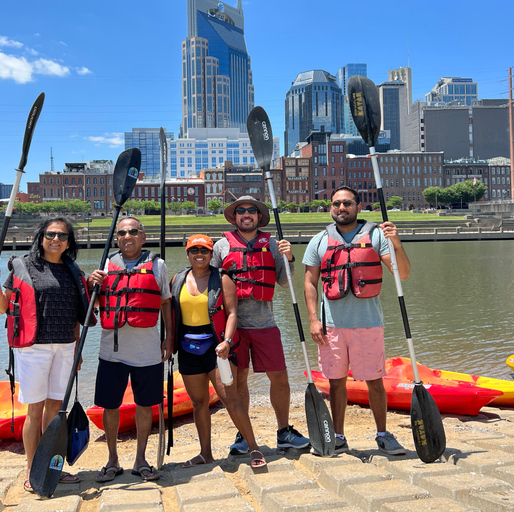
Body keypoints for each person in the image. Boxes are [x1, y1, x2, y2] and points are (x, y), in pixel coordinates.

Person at [302, 186, 410, 455]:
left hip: (368, 323)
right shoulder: (319, 241)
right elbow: (310, 283)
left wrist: (396, 242)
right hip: (332, 327)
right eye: (336, 203)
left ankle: (383, 434)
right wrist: (314, 320)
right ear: (330, 208)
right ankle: (338, 436)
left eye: (347, 203)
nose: (342, 208)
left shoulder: (377, 236)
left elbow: (403, 274)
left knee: (375, 381)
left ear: (358, 206)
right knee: (336, 382)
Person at [0, 217, 88, 492]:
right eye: (51, 234)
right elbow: (4, 307)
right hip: (33, 349)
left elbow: (77, 317)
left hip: (65, 346)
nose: (56, 240)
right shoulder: (22, 266)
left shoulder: (73, 270)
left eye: (63, 236)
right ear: (41, 236)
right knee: (35, 411)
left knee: (56, 412)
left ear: (69, 242)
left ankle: (52, 466)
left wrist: (76, 351)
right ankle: (32, 469)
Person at [211, 196, 310, 454]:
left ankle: (284, 431)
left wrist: (289, 259)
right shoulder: (221, 246)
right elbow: (210, 286)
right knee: (239, 379)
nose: (246, 214)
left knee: (279, 377)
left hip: (265, 323)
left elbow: (285, 282)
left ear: (258, 216)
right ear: (234, 216)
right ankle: (244, 435)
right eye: (241, 211)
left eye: (251, 211)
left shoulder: (274, 245)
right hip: (234, 328)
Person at [88, 216, 173, 483]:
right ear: (117, 238)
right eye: (123, 232)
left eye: (133, 231)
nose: (128, 236)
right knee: (110, 406)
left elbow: (166, 305)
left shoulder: (159, 265)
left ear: (143, 237)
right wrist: (92, 283)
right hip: (111, 351)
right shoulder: (105, 264)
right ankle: (112, 460)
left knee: (145, 405)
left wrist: (169, 338)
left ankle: (140, 460)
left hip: (147, 351)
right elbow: (91, 302)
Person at [170, 234, 266, 468]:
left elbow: (232, 313)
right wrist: (167, 341)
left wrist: (227, 341)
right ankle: (205, 453)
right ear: (187, 254)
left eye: (204, 250)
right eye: (194, 251)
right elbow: (169, 312)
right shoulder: (178, 278)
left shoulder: (222, 278)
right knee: (199, 402)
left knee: (230, 399)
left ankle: (254, 448)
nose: (199, 255)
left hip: (217, 347)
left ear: (212, 254)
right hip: (187, 347)